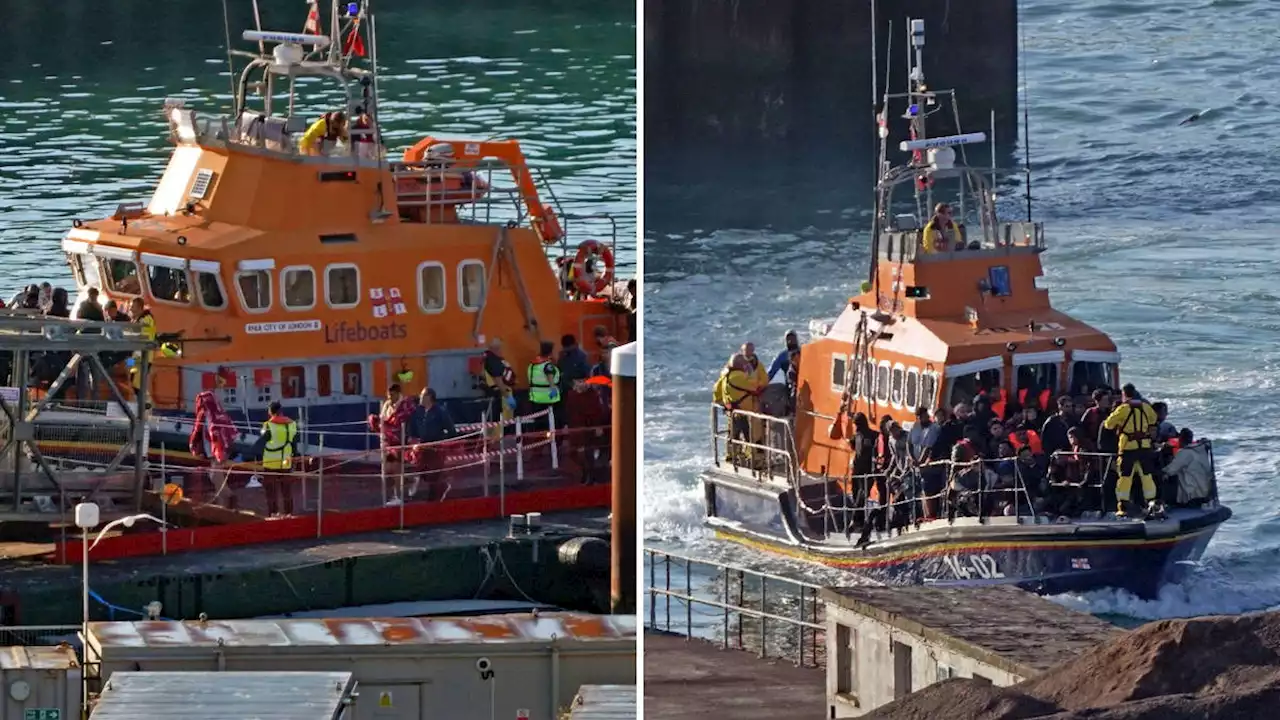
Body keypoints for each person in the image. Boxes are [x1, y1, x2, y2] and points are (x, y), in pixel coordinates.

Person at [1103, 383, 1158, 517]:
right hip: (1144, 447)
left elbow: (1108, 425)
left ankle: (1123, 506)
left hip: (1128, 448)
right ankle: (1151, 503)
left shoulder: (1123, 409)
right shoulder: (1146, 407)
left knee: (1125, 477)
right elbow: (1154, 420)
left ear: (1124, 394)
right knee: (1147, 476)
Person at [254, 400, 299, 517]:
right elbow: (294, 444)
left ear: (270, 412)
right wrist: (295, 457)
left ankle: (274, 513)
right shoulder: (292, 424)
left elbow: (261, 442)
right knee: (286, 489)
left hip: (271, 461)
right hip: (286, 461)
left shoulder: (268, 425)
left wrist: (254, 456)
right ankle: (289, 513)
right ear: (281, 411)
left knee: (271, 489)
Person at [527, 340, 562, 430]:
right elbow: (550, 376)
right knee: (552, 424)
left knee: (539, 425)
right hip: (549, 400)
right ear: (550, 352)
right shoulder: (547, 365)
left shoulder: (532, 364)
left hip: (535, 399)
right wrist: (553, 388)